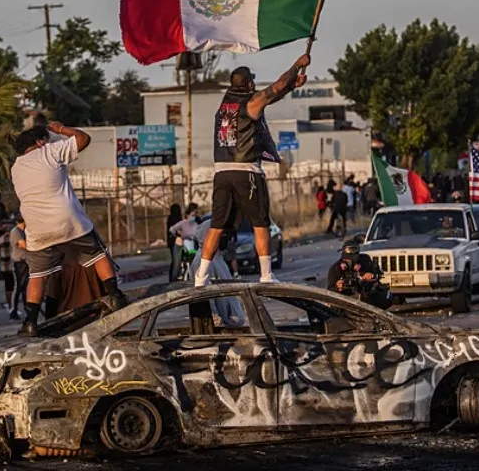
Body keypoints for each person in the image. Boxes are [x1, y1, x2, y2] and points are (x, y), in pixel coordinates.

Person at [194, 54, 310, 287]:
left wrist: (290, 87)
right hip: (246, 171)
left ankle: (201, 277)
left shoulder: (226, 106)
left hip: (221, 173)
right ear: (248, 83)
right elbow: (273, 89)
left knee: (217, 225)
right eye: (253, 82)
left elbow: (270, 97)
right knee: (260, 223)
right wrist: (296, 66)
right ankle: (266, 275)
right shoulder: (251, 102)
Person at [11, 121, 127, 337]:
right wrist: (62, 130)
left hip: (36, 227)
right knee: (97, 253)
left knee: (38, 275)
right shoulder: (49, 151)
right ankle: (115, 295)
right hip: (68, 221)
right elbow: (84, 139)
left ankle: (30, 321)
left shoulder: (16, 167)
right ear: (40, 141)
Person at [326, 239, 389, 309]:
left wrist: (370, 274)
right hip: (346, 302)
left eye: (354, 261)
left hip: (367, 299)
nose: (352, 263)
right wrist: (338, 287)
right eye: (348, 260)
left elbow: (378, 273)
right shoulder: (335, 268)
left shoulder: (365, 260)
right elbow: (330, 290)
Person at [9, 216, 28, 321]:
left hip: (24, 261)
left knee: (25, 287)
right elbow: (23, 245)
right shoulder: (16, 232)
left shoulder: (23, 231)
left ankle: (27, 310)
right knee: (19, 287)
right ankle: (13, 310)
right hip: (19, 262)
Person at [165, 204, 182, 282]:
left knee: (174, 261)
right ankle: (174, 278)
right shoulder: (176, 218)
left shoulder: (170, 218)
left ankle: (173, 278)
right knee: (176, 261)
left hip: (172, 242)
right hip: (176, 242)